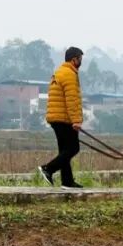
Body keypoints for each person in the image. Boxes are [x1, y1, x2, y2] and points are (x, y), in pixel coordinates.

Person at [39, 46, 84, 188]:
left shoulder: (59, 72)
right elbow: (72, 100)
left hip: (55, 117)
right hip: (64, 119)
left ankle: (67, 181)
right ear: (74, 59)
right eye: (80, 59)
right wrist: (76, 121)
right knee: (73, 148)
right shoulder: (69, 74)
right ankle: (48, 169)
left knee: (64, 150)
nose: (81, 62)